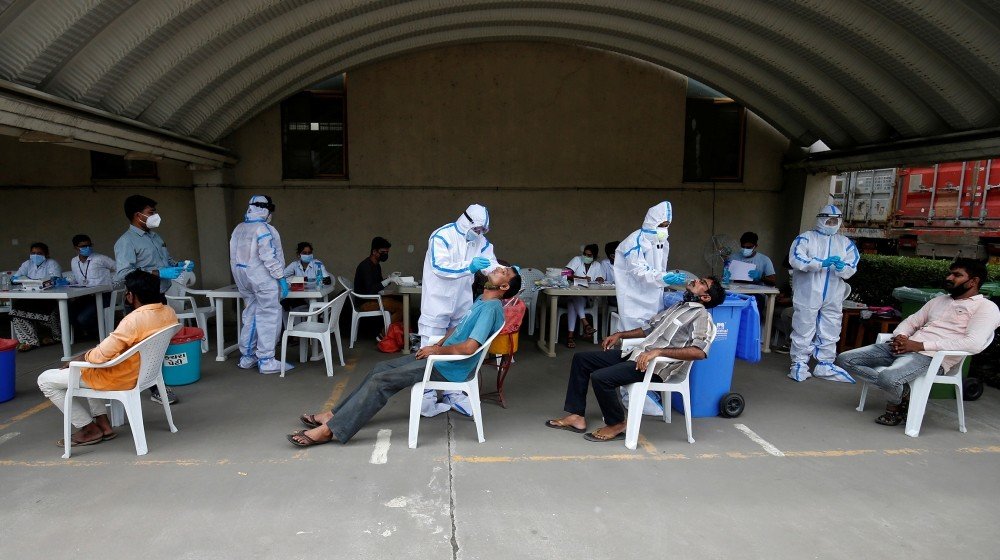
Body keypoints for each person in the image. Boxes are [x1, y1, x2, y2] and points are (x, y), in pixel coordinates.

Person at [288, 266, 521, 447]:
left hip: (449, 367)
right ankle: (332, 415)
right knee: (379, 369)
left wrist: (436, 351)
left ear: (503, 287)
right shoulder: (482, 300)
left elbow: (470, 347)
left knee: (381, 382)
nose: (498, 269)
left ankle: (330, 430)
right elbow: (459, 328)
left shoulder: (491, 308)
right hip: (440, 357)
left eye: (504, 273)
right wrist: (440, 342)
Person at [546, 276, 726, 441]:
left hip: (656, 367)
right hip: (637, 356)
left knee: (601, 378)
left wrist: (658, 352)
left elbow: (699, 352)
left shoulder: (702, 316)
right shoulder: (679, 306)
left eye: (702, 282)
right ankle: (576, 416)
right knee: (582, 360)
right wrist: (620, 335)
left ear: (706, 297)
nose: (696, 280)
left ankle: (616, 423)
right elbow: (649, 328)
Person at [836, 259, 1000, 426]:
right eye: (950, 273)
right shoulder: (939, 300)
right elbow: (912, 321)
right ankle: (904, 392)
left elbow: (973, 343)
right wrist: (901, 336)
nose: (949, 278)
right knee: (844, 359)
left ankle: (896, 401)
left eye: (957, 275)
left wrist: (920, 346)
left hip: (931, 357)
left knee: (888, 378)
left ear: (973, 281)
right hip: (905, 346)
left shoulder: (985, 307)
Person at [36, 270, 179, 447]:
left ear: (130, 295)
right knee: (86, 365)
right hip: (147, 373)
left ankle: (88, 428)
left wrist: (81, 357)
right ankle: (103, 424)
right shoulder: (168, 312)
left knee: (45, 380)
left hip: (121, 377)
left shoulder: (133, 320)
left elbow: (99, 356)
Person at [418, 204, 498, 416]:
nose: (479, 233)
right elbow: (439, 266)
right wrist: (468, 266)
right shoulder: (442, 236)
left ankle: (454, 393)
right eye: (476, 229)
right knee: (429, 347)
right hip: (437, 301)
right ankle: (425, 399)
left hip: (462, 300)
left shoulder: (480, 240)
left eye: (482, 230)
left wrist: (504, 271)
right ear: (466, 222)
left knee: (457, 346)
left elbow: (490, 263)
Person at [113, 194, 190, 404]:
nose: (155, 215)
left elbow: (167, 260)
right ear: (138, 215)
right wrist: (158, 273)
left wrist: (178, 265)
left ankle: (157, 381)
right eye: (151, 212)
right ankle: (155, 389)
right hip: (141, 301)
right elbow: (123, 274)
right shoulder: (126, 242)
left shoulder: (155, 237)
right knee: (144, 345)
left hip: (159, 296)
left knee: (159, 342)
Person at [787, 204, 860, 383]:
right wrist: (820, 263)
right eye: (829, 220)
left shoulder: (845, 243)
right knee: (804, 326)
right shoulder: (805, 238)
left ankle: (825, 364)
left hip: (834, 293)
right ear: (820, 219)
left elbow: (852, 265)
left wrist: (842, 268)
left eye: (835, 221)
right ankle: (799, 364)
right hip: (808, 291)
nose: (832, 224)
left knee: (831, 326)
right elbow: (796, 259)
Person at [230, 195, 290, 375]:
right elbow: (268, 256)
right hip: (263, 279)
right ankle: (266, 360)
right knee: (269, 317)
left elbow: (233, 257)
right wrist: (280, 277)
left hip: (243, 278)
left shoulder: (239, 228)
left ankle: (247, 357)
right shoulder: (264, 228)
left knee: (250, 315)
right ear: (266, 209)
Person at [614, 201, 677, 331]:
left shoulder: (662, 242)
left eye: (667, 226)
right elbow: (638, 271)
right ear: (651, 223)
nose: (664, 229)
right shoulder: (634, 242)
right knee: (632, 336)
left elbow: (660, 268)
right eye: (661, 225)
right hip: (634, 300)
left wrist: (664, 277)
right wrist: (663, 278)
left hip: (653, 299)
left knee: (651, 335)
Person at [10, 242, 62, 352]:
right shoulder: (27, 264)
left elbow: (55, 279)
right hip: (30, 297)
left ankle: (55, 337)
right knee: (16, 309)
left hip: (47, 299)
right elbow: (14, 278)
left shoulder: (51, 263)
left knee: (47, 309)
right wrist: (20, 279)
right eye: (33, 253)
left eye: (39, 253)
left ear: (46, 254)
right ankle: (29, 341)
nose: (35, 255)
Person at [67, 234, 116, 338]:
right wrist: (68, 282)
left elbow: (119, 268)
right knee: (67, 313)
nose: (87, 248)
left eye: (89, 245)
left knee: (83, 318)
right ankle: (92, 332)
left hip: (103, 296)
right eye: (83, 246)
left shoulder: (101, 258)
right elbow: (76, 278)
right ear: (75, 248)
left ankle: (104, 333)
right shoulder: (74, 261)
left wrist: (114, 282)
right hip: (85, 296)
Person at [353, 236, 404, 325]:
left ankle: (396, 330)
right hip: (364, 303)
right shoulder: (366, 266)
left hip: (373, 299)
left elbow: (379, 284)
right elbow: (371, 290)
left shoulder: (376, 265)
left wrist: (390, 278)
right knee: (402, 307)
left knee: (402, 299)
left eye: (387, 252)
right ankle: (384, 332)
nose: (385, 254)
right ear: (374, 251)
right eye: (382, 252)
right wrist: (388, 280)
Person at [562, 243, 603, 348]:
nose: (586, 257)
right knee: (575, 297)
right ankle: (586, 324)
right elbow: (565, 273)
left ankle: (571, 336)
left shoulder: (597, 265)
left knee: (573, 302)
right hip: (570, 294)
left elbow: (600, 279)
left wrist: (599, 279)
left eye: (589, 255)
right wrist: (580, 278)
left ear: (594, 257)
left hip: (588, 298)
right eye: (585, 254)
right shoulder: (577, 260)